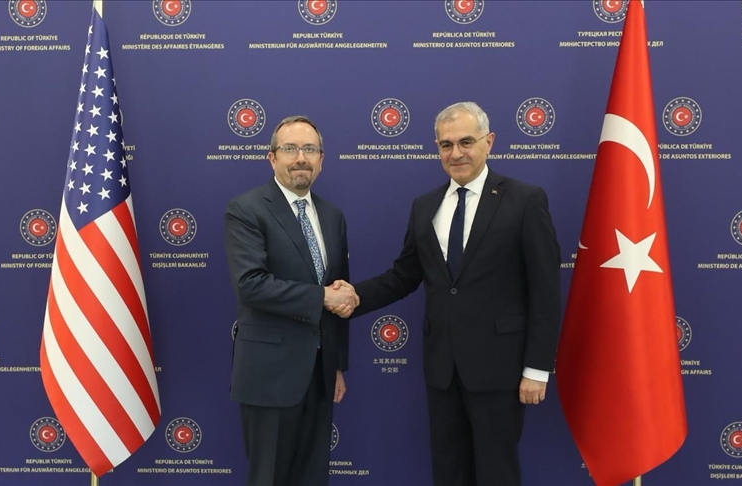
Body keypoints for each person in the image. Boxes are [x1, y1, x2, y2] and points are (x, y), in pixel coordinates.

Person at [333, 102, 562, 485]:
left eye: (466, 142)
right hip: (442, 371)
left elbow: (545, 291)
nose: (456, 153)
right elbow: (403, 276)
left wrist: (537, 369)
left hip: (500, 371)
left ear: (489, 142)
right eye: (446, 144)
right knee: (448, 474)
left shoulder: (525, 200)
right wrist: (353, 296)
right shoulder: (425, 207)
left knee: (497, 474)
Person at [224, 115, 358, 486]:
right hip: (269, 376)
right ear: (272, 158)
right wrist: (323, 297)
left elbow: (338, 291)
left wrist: (337, 364)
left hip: (319, 375)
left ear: (321, 159)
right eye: (290, 149)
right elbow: (251, 285)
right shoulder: (246, 209)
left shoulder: (332, 216)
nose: (301, 158)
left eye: (310, 149)